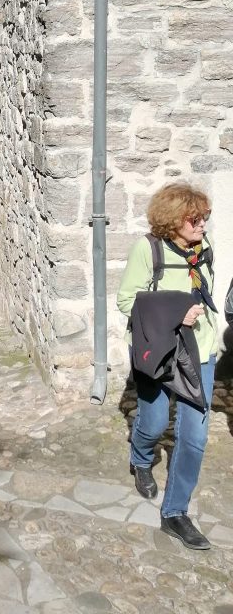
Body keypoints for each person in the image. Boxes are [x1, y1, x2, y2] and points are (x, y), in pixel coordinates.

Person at [117, 181, 217, 551]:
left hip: (200, 352)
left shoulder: (204, 248)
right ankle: (141, 457)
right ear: (173, 220)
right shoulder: (148, 249)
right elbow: (127, 300)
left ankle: (175, 513)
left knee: (195, 437)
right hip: (159, 350)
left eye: (204, 218)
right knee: (156, 421)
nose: (202, 225)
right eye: (194, 219)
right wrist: (176, 314)